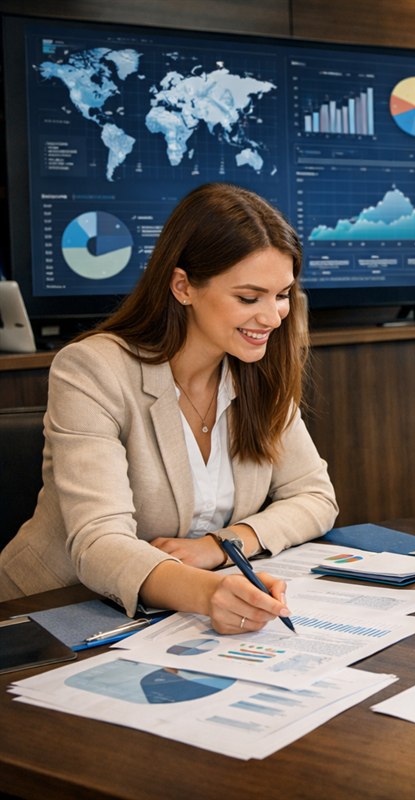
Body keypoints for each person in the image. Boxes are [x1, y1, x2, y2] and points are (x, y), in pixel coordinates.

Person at [0, 183, 338, 634]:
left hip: (170, 624)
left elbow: (315, 497)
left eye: (282, 294)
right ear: (183, 287)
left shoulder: (258, 370)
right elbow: (100, 542)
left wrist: (222, 546)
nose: (274, 317)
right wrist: (207, 592)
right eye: (248, 298)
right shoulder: (93, 369)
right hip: (50, 614)